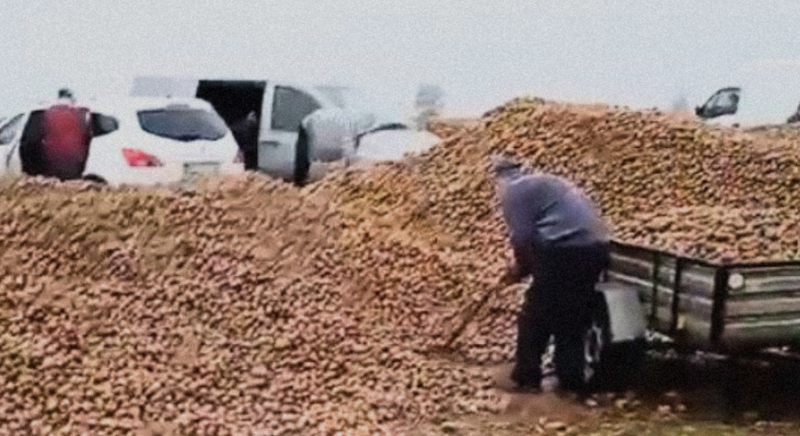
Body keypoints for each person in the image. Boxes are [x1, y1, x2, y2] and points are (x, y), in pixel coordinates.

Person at [492, 155, 610, 396]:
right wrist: (526, 268)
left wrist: (520, 269)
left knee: (535, 315)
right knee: (572, 314)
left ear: (499, 179)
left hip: (564, 248)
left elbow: (522, 238)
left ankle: (526, 378)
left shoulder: (513, 191)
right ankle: (570, 381)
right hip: (596, 248)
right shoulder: (544, 182)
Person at [293, 108, 374, 186]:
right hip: (312, 123)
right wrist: (352, 170)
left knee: (304, 154)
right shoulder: (353, 125)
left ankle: (300, 178)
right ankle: (300, 180)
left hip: (314, 121)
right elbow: (348, 148)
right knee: (304, 154)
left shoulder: (354, 118)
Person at [37, 89, 92, 180]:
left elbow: (40, 134)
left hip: (51, 155)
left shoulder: (48, 112)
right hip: (73, 157)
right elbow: (86, 137)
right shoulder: (80, 113)